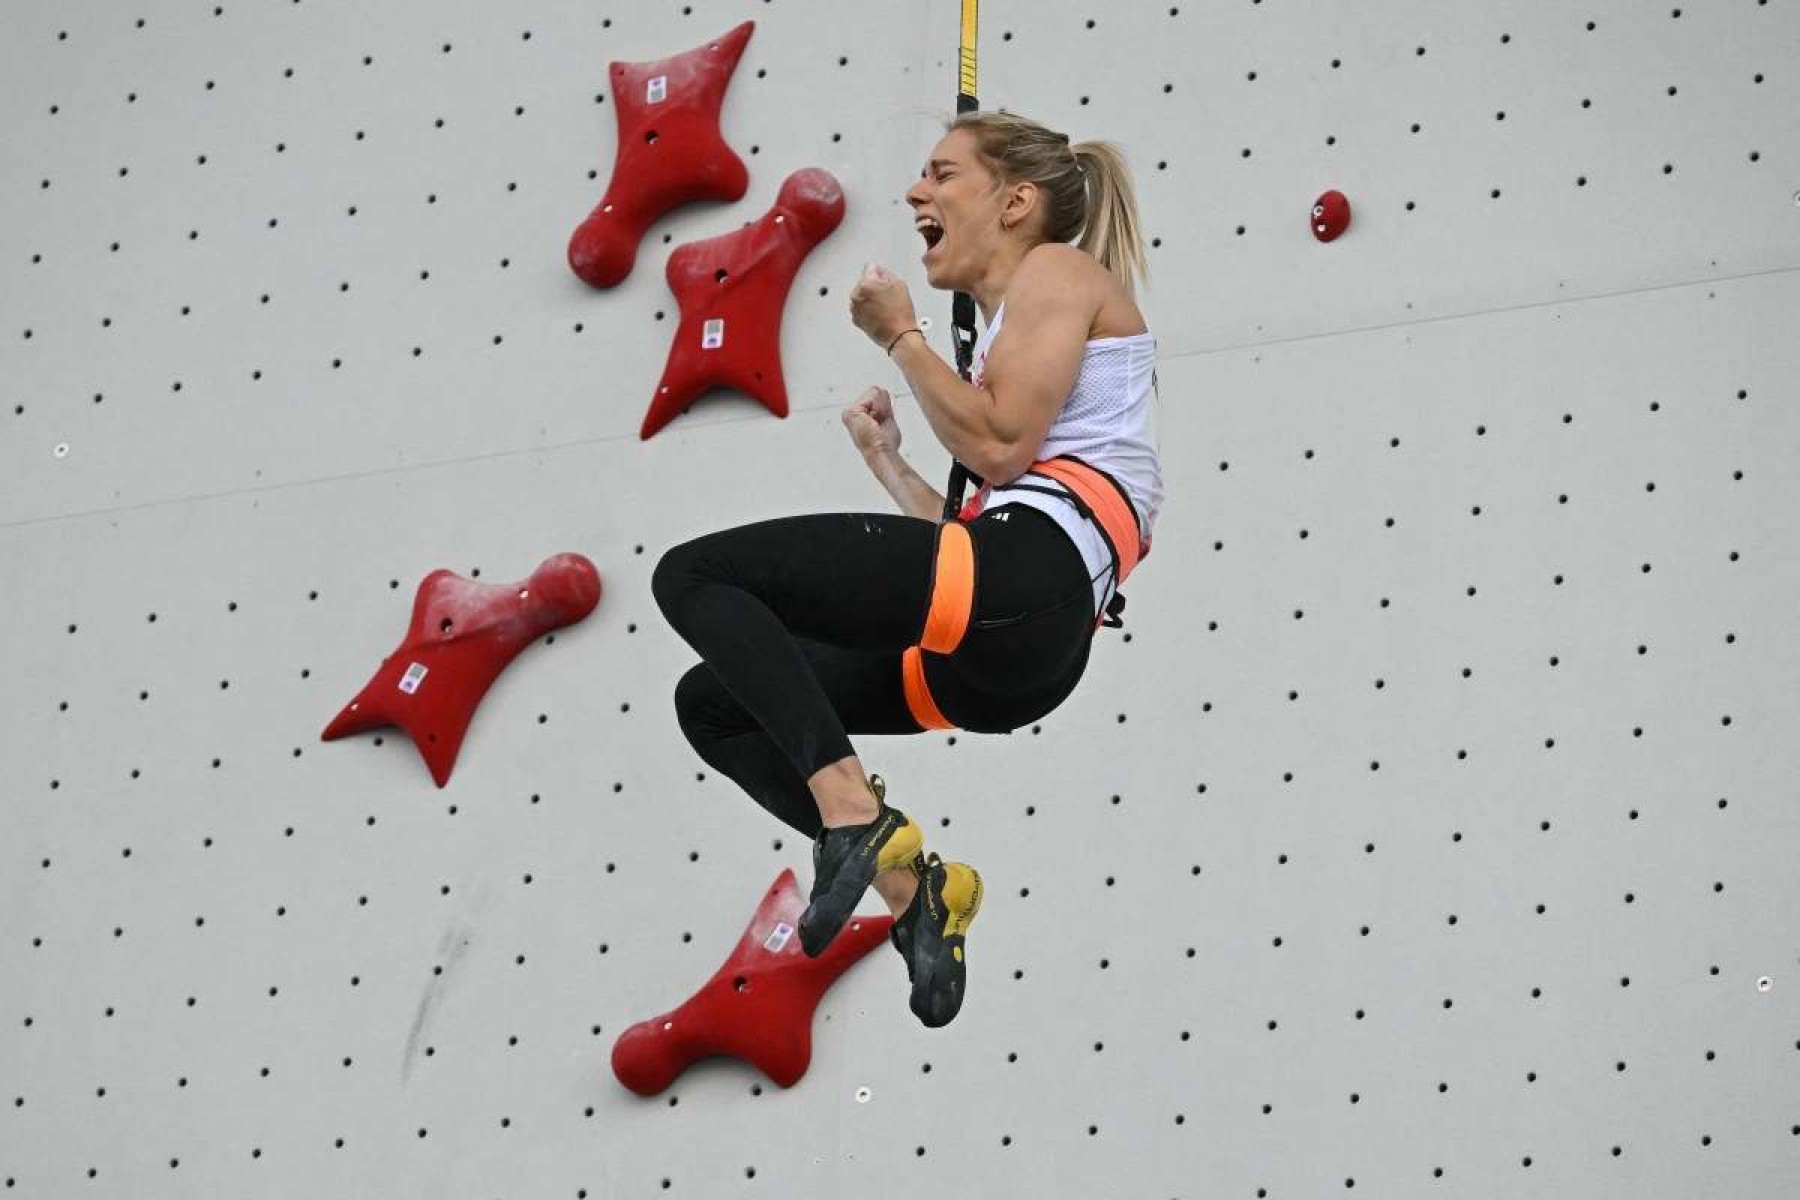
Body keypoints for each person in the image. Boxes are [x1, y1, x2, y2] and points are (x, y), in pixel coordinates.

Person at [652, 110, 1163, 1028]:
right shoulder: (1021, 321)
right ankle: (913, 890)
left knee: (693, 578)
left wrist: (901, 338)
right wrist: (891, 465)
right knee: (713, 704)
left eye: (941, 175)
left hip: (1028, 590)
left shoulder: (1059, 271)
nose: (915, 194)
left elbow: (1003, 446)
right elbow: (976, 544)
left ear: (1016, 201)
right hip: (1012, 647)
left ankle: (855, 815)